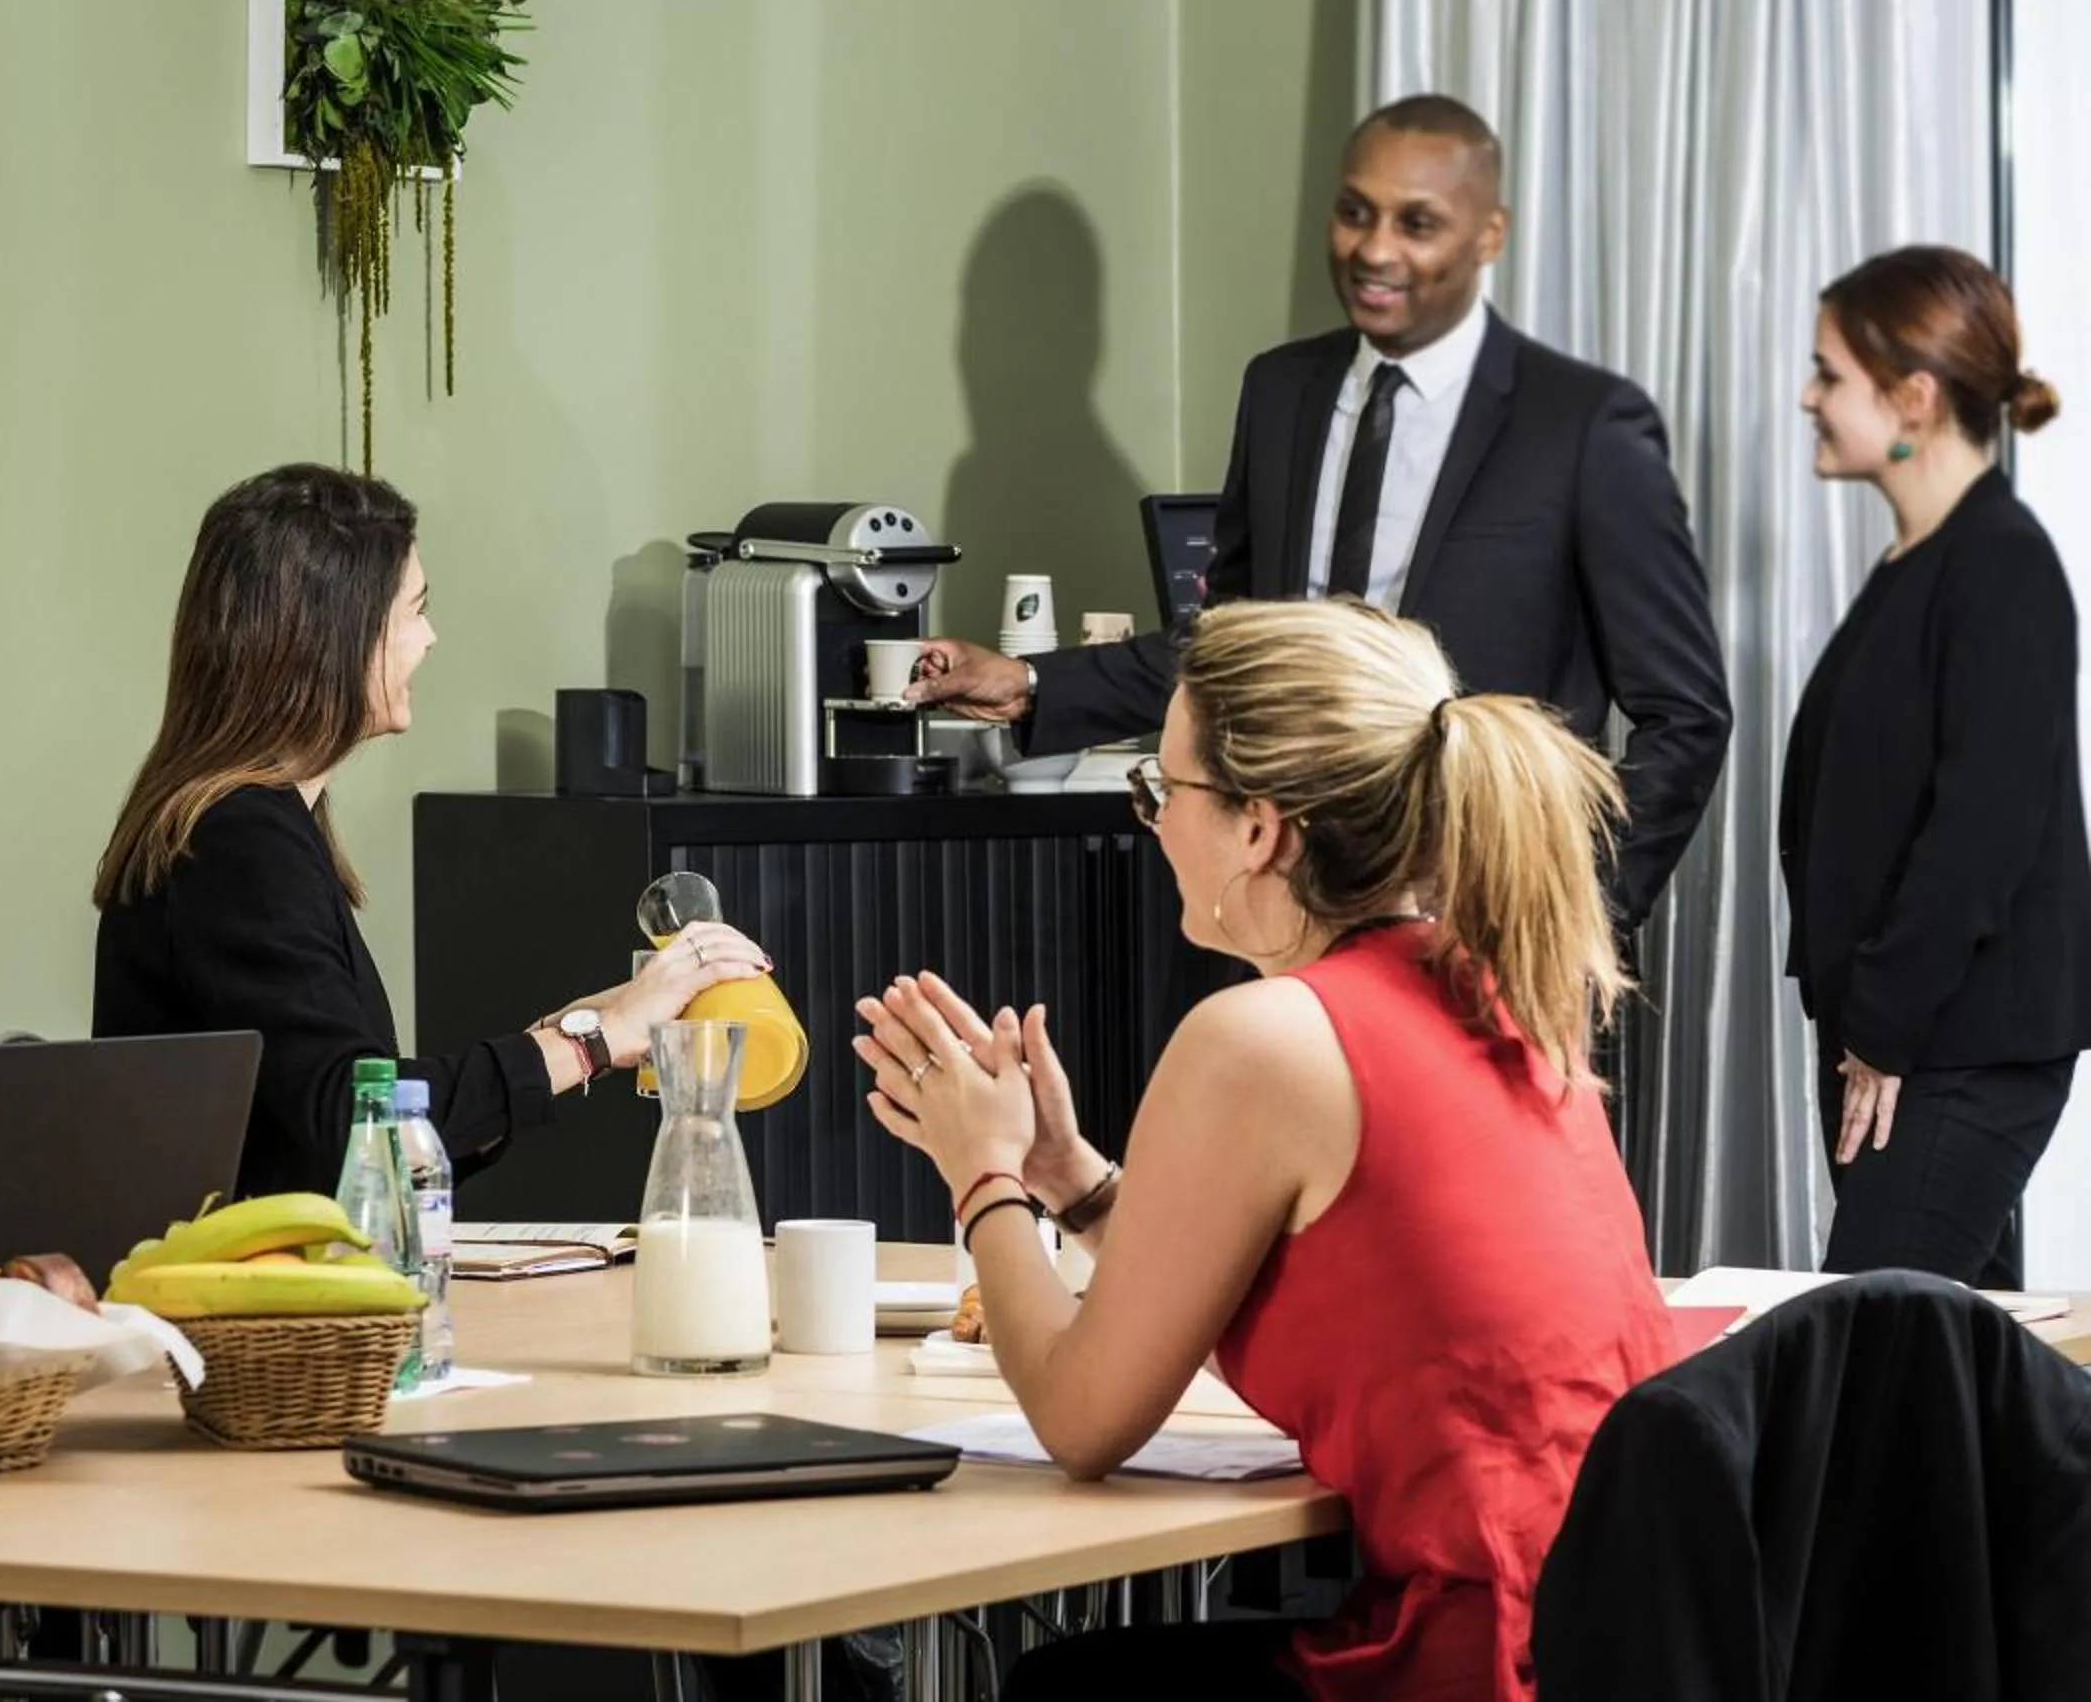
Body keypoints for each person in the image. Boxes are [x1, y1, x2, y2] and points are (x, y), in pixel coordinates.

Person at [859, 599, 1676, 1702]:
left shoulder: (1265, 1039)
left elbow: (1081, 1420)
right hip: (1617, 1639)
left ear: (1260, 828)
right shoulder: (1500, 985)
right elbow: (1329, 1285)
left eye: (1164, 789)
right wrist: (1075, 1184)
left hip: (1470, 1660)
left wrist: (983, 1174)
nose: (1152, 821)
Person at [906, 95, 1730, 944]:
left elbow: (1686, 714)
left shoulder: (1583, 424)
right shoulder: (1281, 392)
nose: (1375, 250)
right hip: (1280, 911)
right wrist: (1034, 684)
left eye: (1417, 224)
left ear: (1489, 236)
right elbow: (1228, 647)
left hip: (1486, 933)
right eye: (1353, 214)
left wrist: (1571, 913)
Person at [94, 463, 771, 1196]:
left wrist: (600, 1020)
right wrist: (593, 1043)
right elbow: (358, 1125)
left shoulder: (255, 826)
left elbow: (366, 1111)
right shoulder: (238, 842)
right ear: (335, 633)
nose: (430, 638)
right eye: (413, 610)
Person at [1784, 245, 2091, 1286]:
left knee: (1874, 1351)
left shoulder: (2000, 565)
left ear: (1912, 397)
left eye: (1830, 374)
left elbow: (1982, 831)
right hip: (1912, 1037)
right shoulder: (1922, 558)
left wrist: (1880, 1031)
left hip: (1952, 1043)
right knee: (1945, 1379)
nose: (1807, 396)